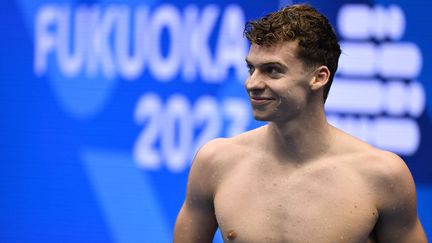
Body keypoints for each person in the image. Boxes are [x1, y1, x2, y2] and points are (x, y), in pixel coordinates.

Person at [173, 3, 427, 242]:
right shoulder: (215, 163)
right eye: (252, 69)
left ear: (319, 77)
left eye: (273, 70)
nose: (252, 84)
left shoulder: (382, 175)